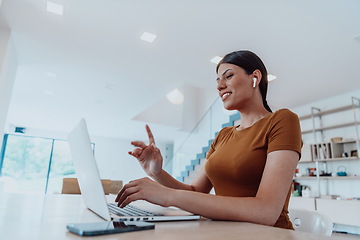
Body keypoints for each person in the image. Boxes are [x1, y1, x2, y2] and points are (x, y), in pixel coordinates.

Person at [115, 50, 302, 229]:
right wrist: (156, 172)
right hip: (222, 231)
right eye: (218, 80)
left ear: (255, 77)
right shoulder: (223, 135)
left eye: (228, 76)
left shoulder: (282, 120)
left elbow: (266, 211)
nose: (219, 86)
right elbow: (196, 192)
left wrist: (168, 196)